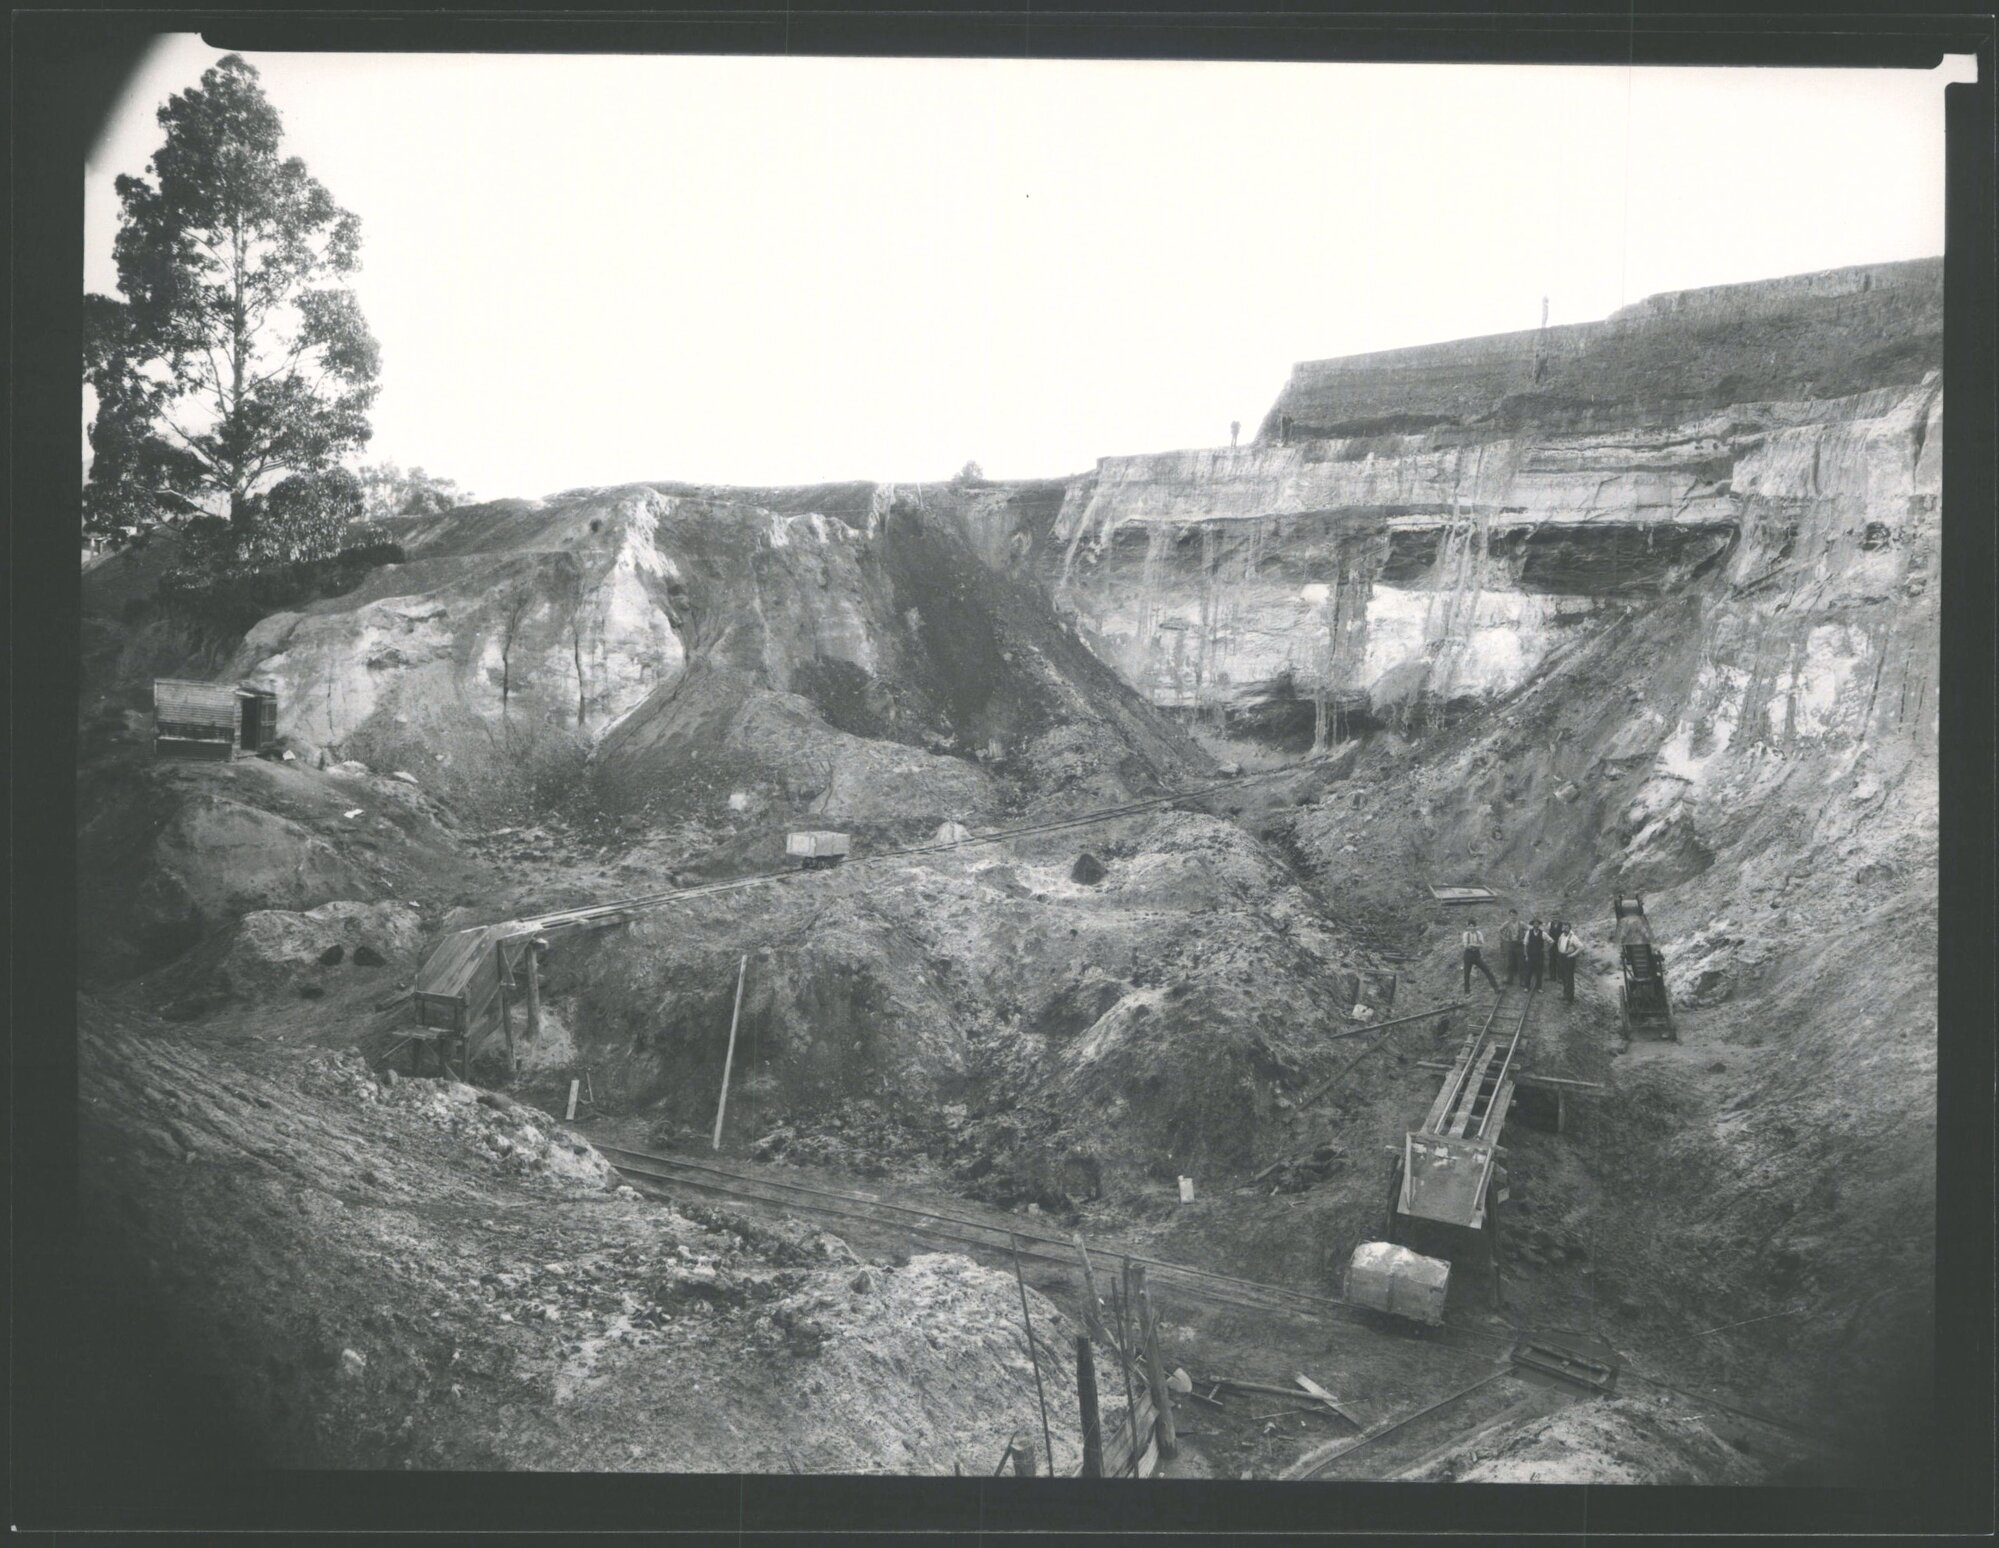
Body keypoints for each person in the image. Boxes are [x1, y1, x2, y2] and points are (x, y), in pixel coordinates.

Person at [1460, 918, 1500, 993]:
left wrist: (1473, 945)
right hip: (1468, 955)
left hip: (1476, 955)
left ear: (1475, 927)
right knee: (1466, 974)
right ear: (1468, 927)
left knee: (1487, 970)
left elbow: (1482, 945)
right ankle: (1467, 992)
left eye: (1473, 926)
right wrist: (1476, 945)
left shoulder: (1479, 934)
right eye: (1470, 926)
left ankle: (1496, 988)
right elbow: (1466, 946)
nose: (1471, 928)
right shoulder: (1466, 934)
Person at [1556, 922, 1583, 1003]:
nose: (1565, 929)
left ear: (1569, 928)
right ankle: (1565, 995)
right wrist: (1560, 952)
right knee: (1563, 978)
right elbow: (1558, 943)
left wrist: (1572, 955)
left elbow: (1581, 947)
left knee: (1569, 978)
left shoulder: (1573, 937)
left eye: (1566, 927)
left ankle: (1570, 998)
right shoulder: (1562, 935)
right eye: (1563, 927)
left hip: (1569, 959)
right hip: (1562, 957)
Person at [1499, 909, 1525, 985]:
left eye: (1514, 915)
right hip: (1510, 945)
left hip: (1519, 945)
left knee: (1521, 963)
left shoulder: (1521, 923)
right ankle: (1509, 979)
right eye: (1511, 915)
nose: (1513, 917)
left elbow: (1529, 930)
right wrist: (1504, 938)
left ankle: (1522, 981)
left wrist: (1524, 939)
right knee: (1509, 963)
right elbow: (1499, 930)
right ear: (1509, 916)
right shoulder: (1507, 923)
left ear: (1517, 916)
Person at [1524, 918, 1548, 991]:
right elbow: (1525, 944)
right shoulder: (1528, 932)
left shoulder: (1543, 933)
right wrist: (1526, 955)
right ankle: (1526, 987)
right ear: (1532, 925)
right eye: (1534, 924)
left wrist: (1546, 949)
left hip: (1539, 956)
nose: (1536, 925)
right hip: (1530, 955)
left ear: (1539, 925)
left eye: (1537, 924)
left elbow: (1551, 941)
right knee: (1528, 971)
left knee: (1539, 972)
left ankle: (1539, 987)